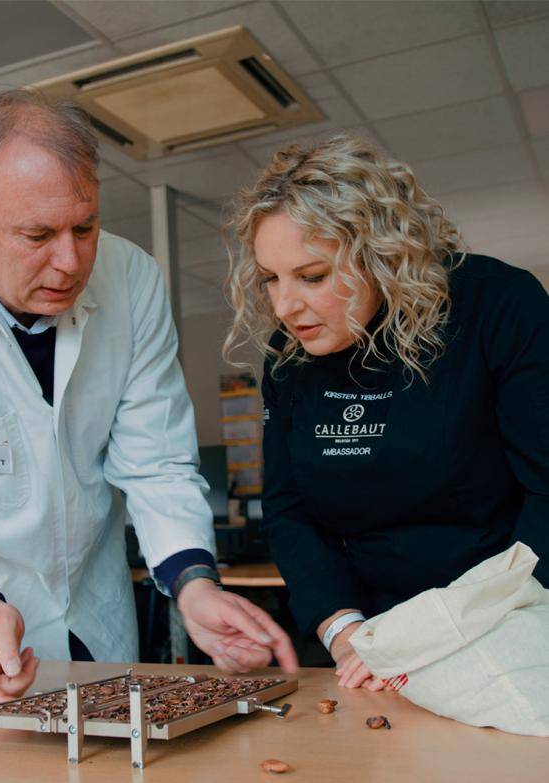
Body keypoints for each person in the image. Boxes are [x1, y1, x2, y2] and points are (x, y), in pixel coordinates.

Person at [0, 90, 297, 703]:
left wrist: (194, 584)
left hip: (93, 622)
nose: (70, 261)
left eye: (86, 225)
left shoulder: (131, 279)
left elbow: (156, 463)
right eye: (37, 234)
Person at [224, 133, 549, 691]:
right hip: (369, 642)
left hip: (505, 620)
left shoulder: (500, 306)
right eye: (270, 278)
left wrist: (451, 627)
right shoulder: (290, 356)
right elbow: (289, 509)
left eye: (313, 276)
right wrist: (343, 627)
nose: (285, 307)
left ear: (383, 253)